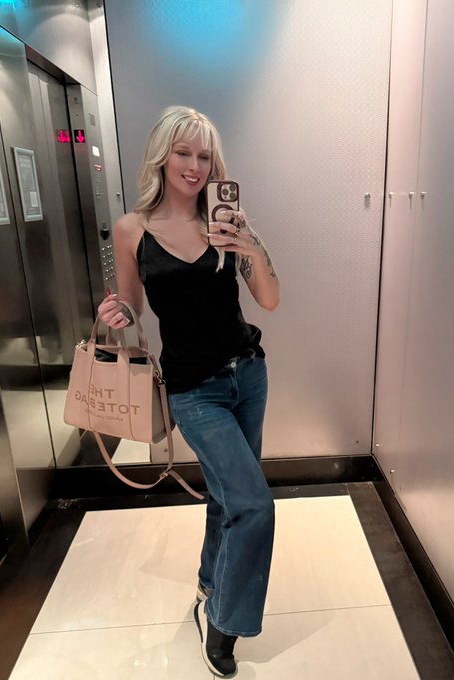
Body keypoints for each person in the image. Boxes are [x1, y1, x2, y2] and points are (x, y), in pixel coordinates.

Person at [98, 105, 279, 678]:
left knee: (229, 496)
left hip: (247, 374)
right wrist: (116, 314)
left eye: (204, 156)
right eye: (183, 152)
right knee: (253, 504)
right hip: (193, 390)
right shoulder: (132, 229)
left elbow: (270, 299)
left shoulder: (224, 223)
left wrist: (250, 244)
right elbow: (133, 306)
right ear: (162, 155)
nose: (194, 166)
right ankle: (221, 622)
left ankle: (208, 583)